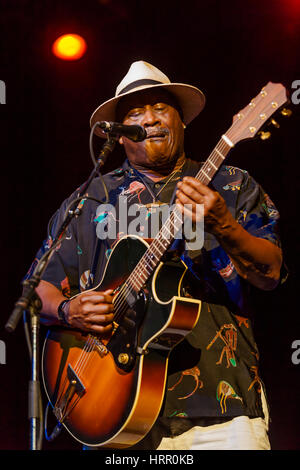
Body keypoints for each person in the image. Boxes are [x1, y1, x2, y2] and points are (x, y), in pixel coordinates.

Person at [29, 61, 283, 450]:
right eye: (134, 112)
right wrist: (68, 311)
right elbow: (36, 292)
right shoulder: (92, 198)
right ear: (120, 132)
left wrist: (223, 224)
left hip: (219, 413)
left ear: (181, 120)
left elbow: (270, 272)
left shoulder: (230, 184)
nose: (149, 119)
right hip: (113, 410)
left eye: (161, 108)